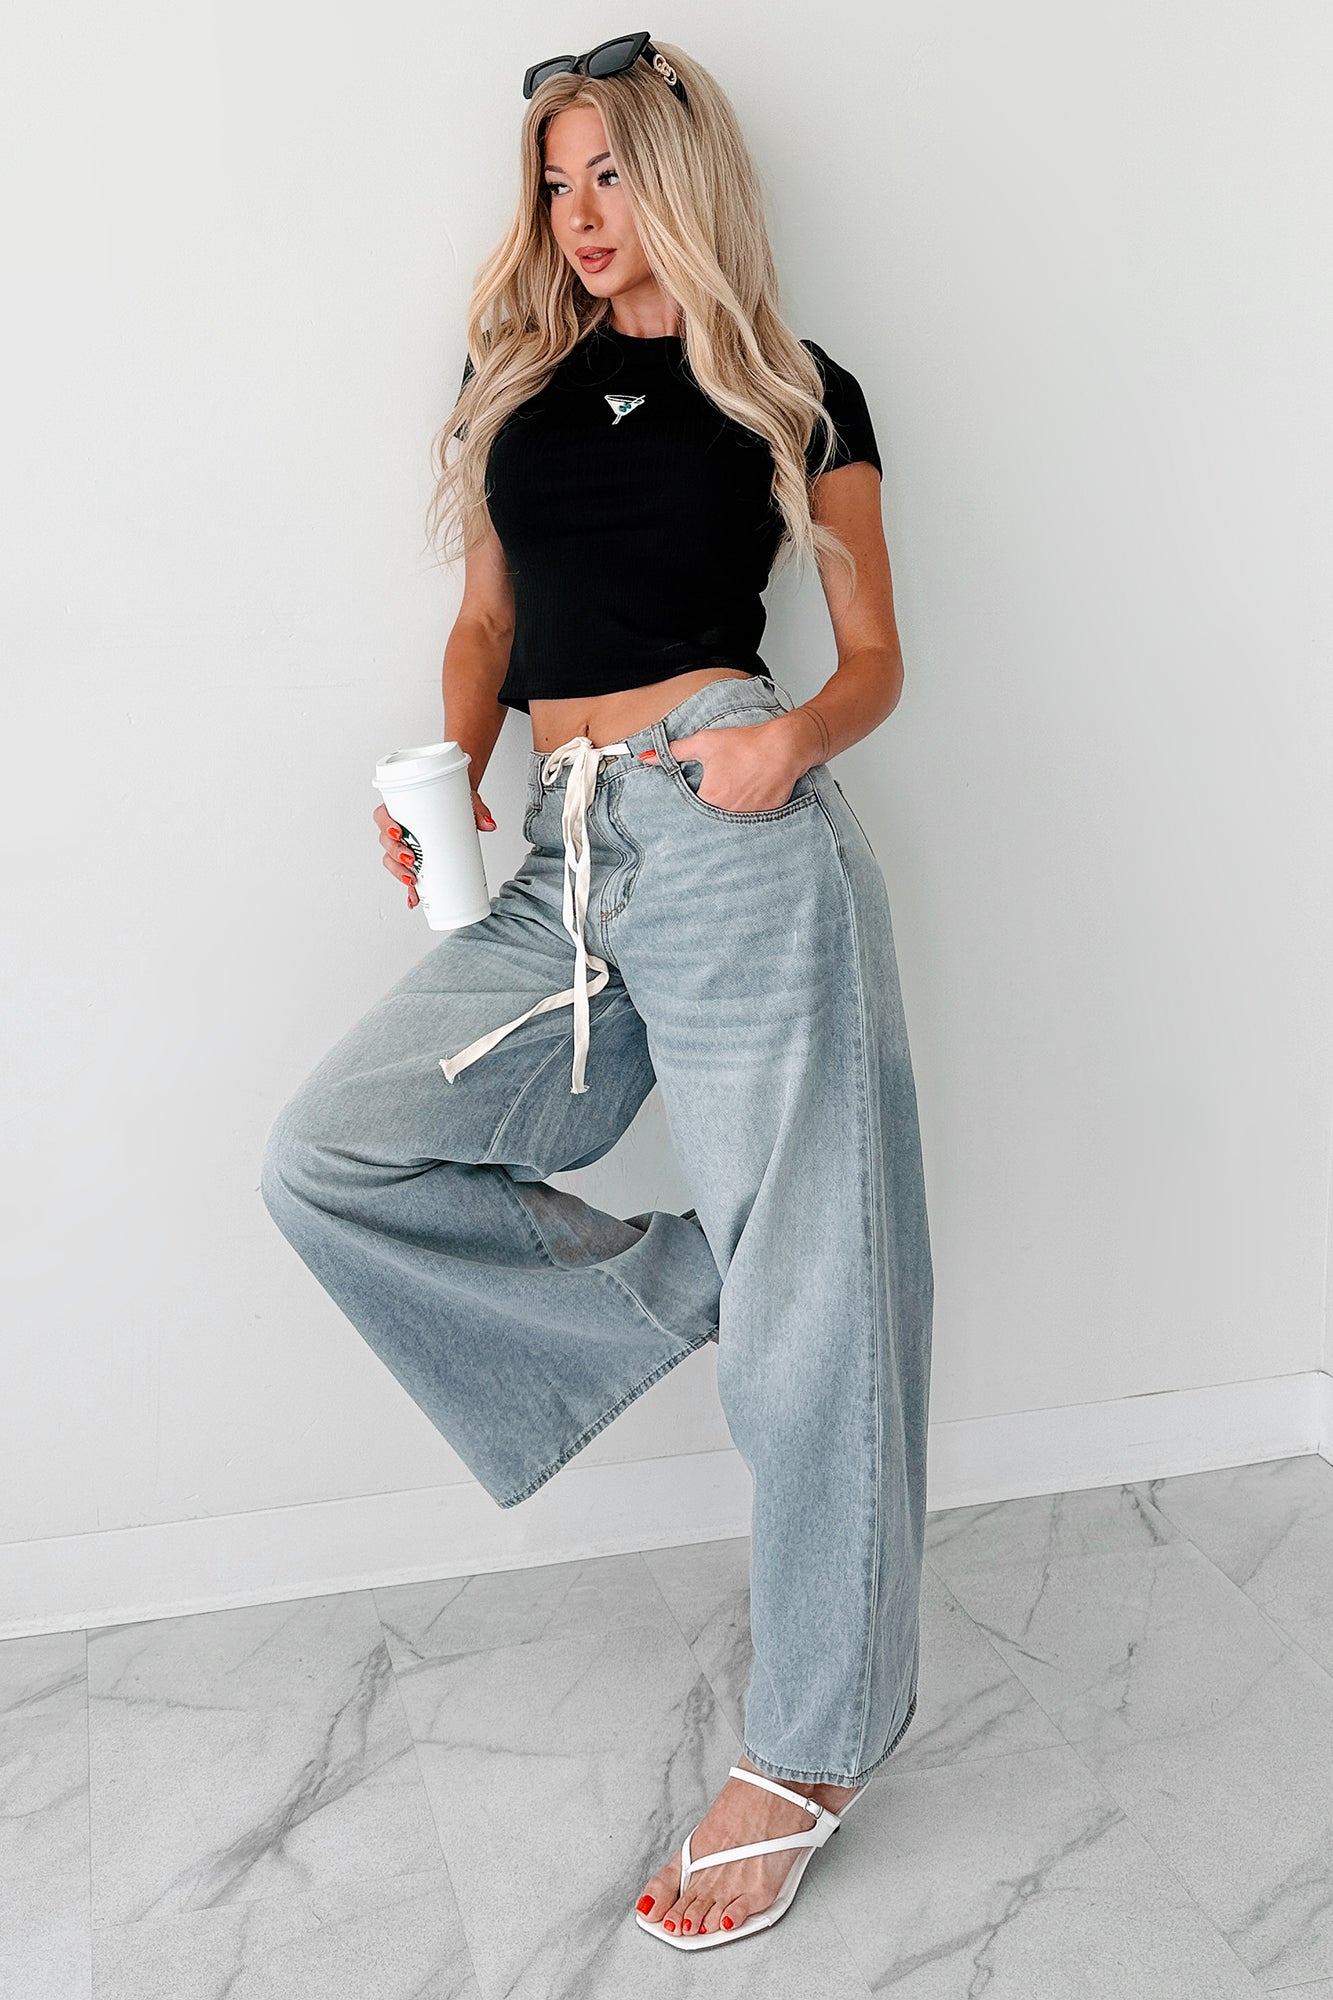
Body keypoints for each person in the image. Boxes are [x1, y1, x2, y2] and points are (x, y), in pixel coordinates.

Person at [260, 30, 933, 1955]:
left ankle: (808, 1750)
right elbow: (486, 619)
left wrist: (790, 740)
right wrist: (456, 773)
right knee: (335, 1155)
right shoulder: (509, 389)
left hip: (729, 826)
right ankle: (701, 1278)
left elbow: (873, 654)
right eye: (554, 183)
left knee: (821, 1328)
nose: (577, 213)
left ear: (676, 179)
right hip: (558, 856)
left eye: (609, 175)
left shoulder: (792, 384)